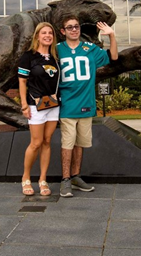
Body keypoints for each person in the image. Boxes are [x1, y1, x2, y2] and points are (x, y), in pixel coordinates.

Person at [56, 14, 117, 198]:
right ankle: (65, 180)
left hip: (86, 104)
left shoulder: (89, 48)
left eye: (76, 26)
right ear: (62, 31)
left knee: (80, 143)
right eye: (70, 27)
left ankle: (75, 176)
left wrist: (111, 36)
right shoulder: (57, 49)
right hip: (67, 103)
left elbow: (113, 56)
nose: (74, 30)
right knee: (67, 143)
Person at [17, 22, 60, 197]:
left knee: (47, 141)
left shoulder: (55, 58)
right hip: (35, 105)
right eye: (44, 33)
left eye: (50, 33)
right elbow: (22, 81)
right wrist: (24, 105)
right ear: (37, 36)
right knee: (35, 142)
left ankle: (43, 179)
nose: (47, 35)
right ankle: (26, 177)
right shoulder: (28, 56)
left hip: (53, 105)